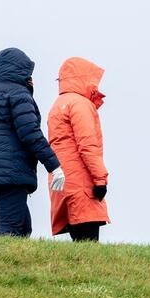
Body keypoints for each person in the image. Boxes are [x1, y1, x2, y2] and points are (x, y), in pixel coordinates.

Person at [0, 47, 65, 237]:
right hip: (9, 172)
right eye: (28, 73)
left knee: (23, 228)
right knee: (11, 227)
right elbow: (31, 134)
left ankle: (11, 257)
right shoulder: (18, 94)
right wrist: (54, 166)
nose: (31, 78)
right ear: (19, 71)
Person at [47, 57, 109, 242]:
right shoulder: (80, 104)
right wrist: (100, 180)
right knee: (89, 245)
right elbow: (87, 145)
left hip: (63, 181)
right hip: (81, 183)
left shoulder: (57, 105)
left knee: (79, 242)